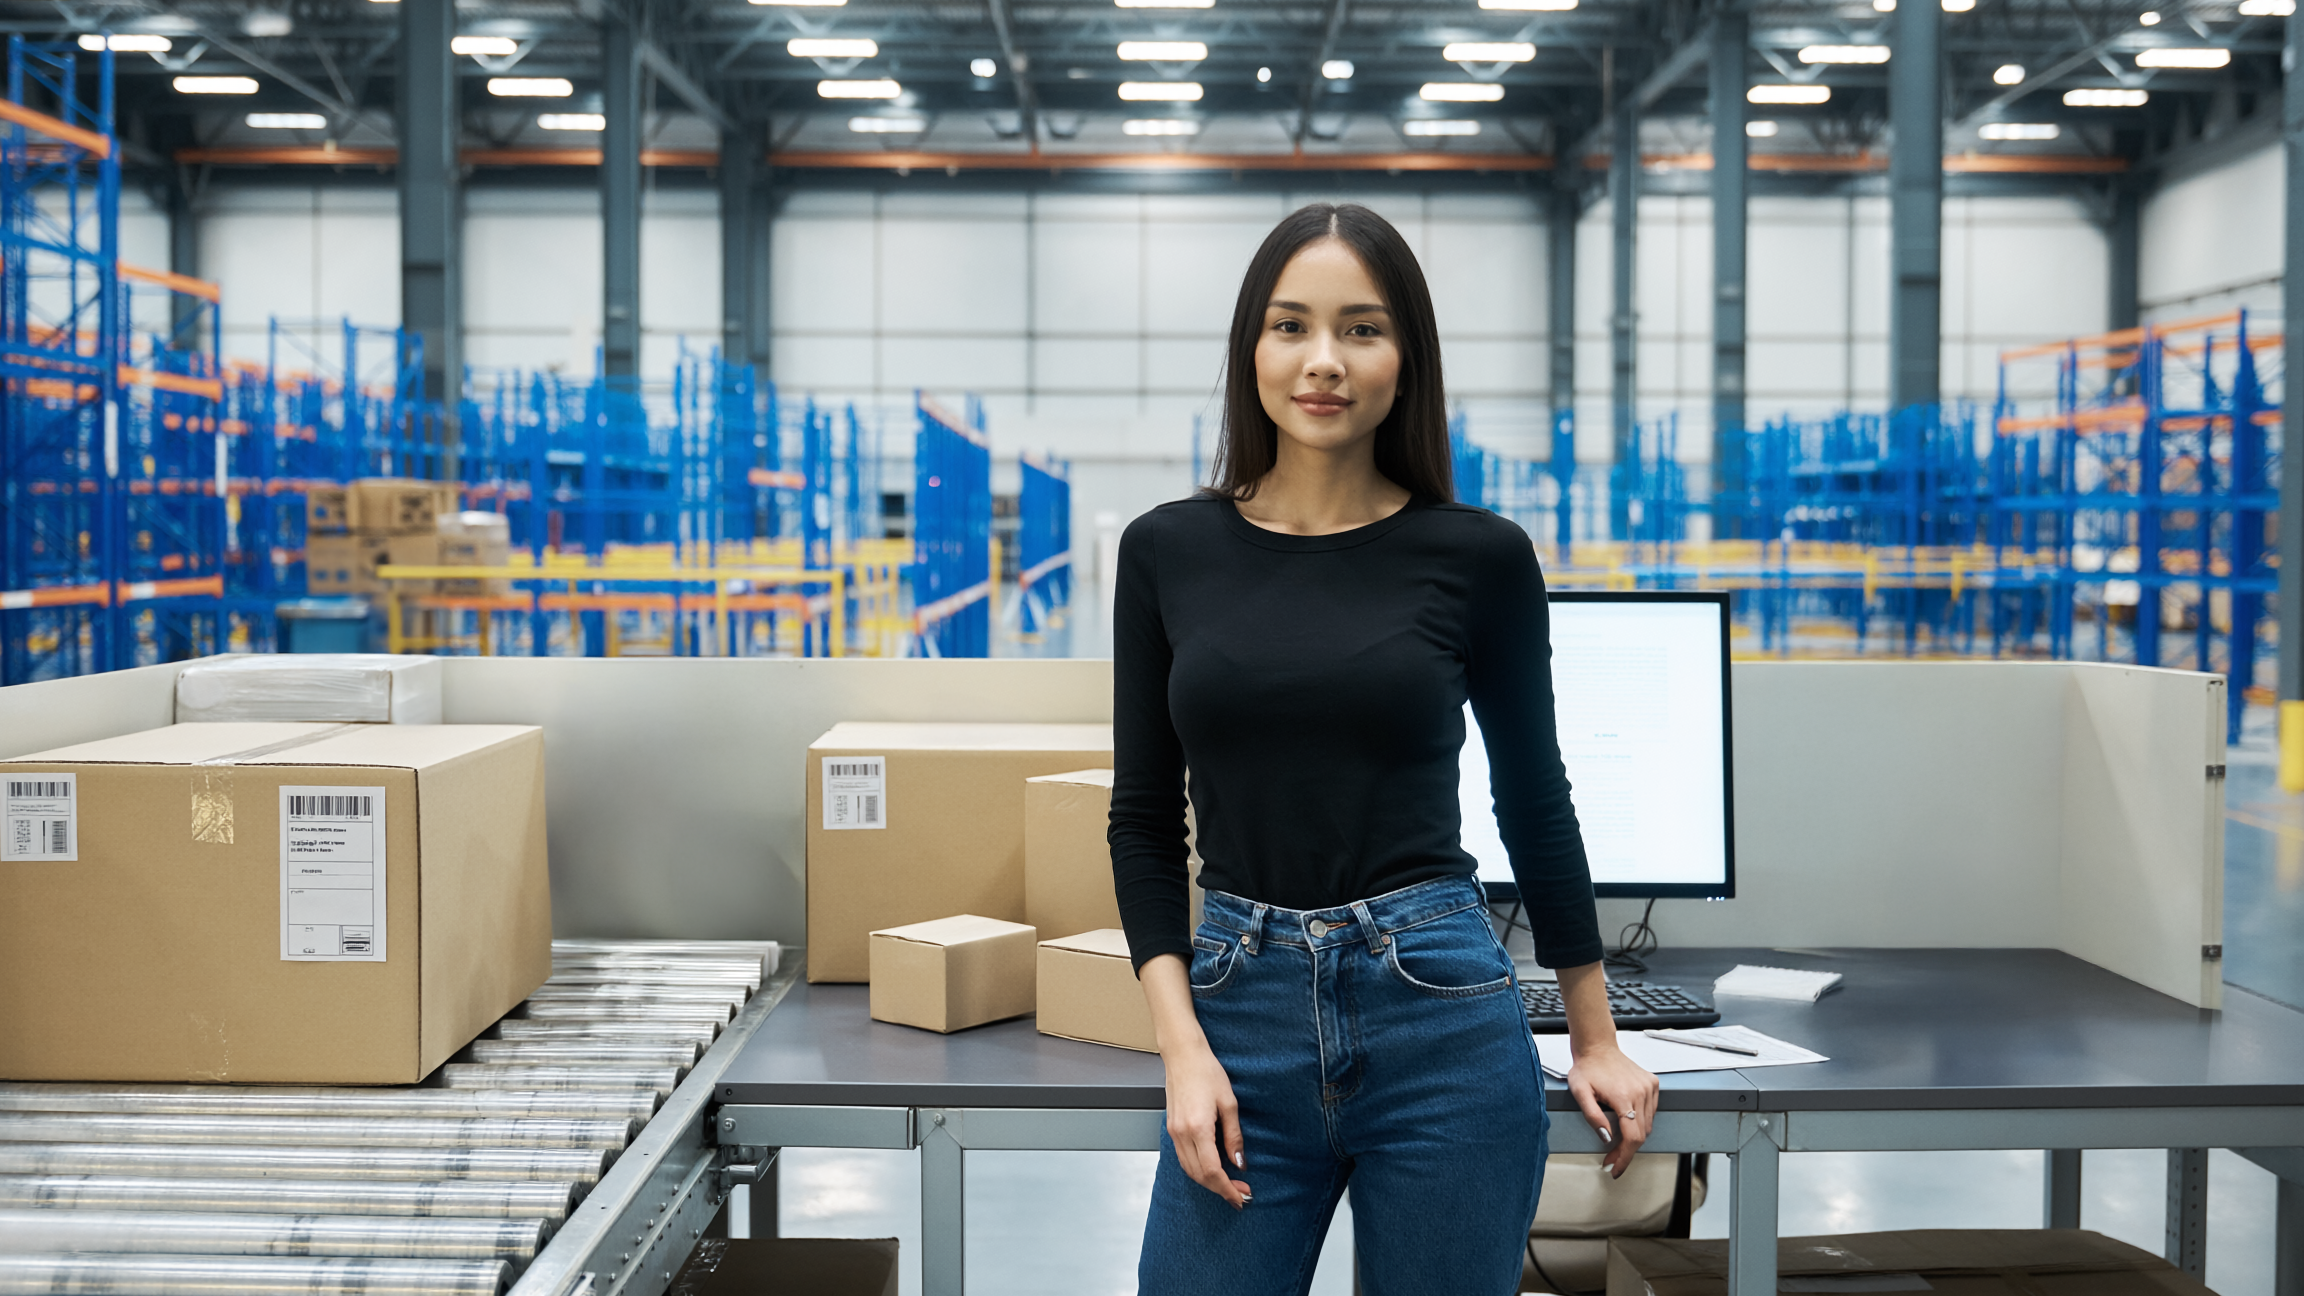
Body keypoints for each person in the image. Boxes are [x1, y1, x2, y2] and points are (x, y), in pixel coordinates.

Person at [1108, 202, 1660, 1295]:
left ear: (1406, 359)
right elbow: (1140, 818)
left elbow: (1534, 798)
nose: (1324, 361)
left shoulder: (1480, 557)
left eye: (1361, 329)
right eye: (1290, 326)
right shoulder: (1166, 550)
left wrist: (1594, 1035)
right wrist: (1182, 1048)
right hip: (1238, 1003)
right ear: (1250, 350)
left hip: (1439, 1010)